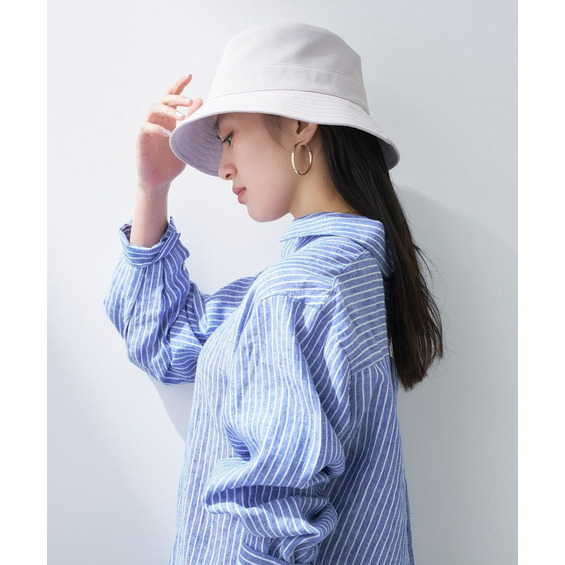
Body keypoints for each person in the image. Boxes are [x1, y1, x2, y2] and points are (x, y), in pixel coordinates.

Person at [105, 22, 443, 565]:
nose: (224, 167)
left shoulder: (296, 293)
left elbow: (269, 528)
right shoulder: (340, 277)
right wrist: (153, 188)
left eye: (229, 136)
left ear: (301, 125)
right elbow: (167, 344)